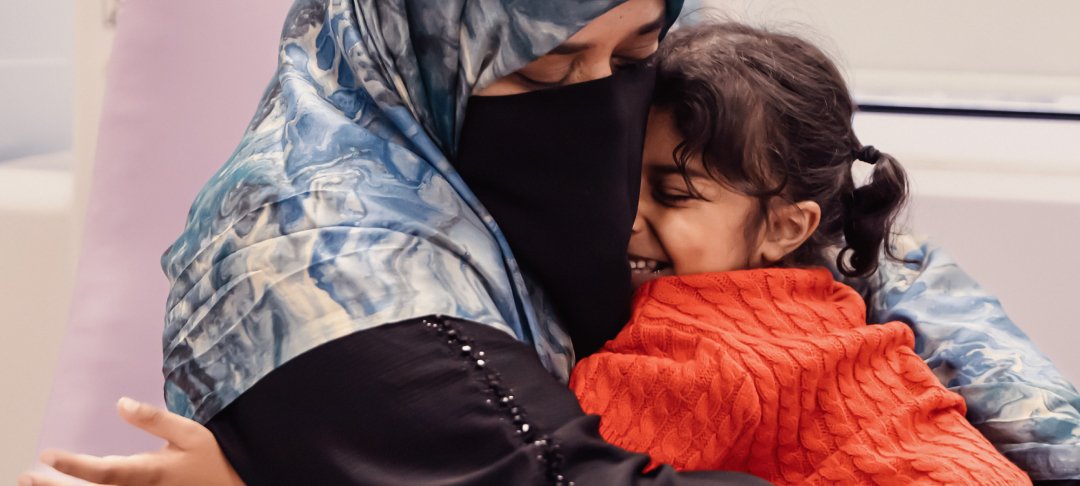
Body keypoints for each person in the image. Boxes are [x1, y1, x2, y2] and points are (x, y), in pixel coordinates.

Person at [21, 0, 1080, 485]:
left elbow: (891, 279)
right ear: (432, 41)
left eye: (636, 51)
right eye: (538, 73)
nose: (598, 114)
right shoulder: (326, 270)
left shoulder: (691, 121)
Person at [568, 23, 1029, 484]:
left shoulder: (685, 350)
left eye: (673, 195)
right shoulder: (824, 303)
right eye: (624, 181)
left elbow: (567, 468)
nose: (628, 216)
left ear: (785, 228)